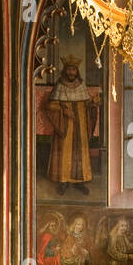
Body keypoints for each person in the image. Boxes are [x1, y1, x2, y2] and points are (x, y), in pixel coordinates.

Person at [45, 56, 99, 194]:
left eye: (74, 69)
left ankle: (79, 181)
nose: (71, 72)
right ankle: (63, 181)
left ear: (77, 71)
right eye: (69, 69)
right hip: (66, 124)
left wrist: (92, 104)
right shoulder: (60, 86)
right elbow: (50, 105)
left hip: (80, 122)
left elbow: (86, 103)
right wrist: (63, 109)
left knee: (80, 151)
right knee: (65, 151)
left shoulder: (81, 86)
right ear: (65, 70)